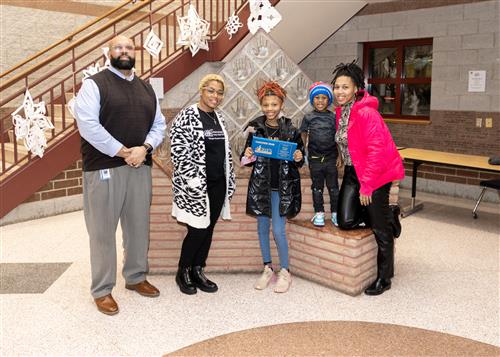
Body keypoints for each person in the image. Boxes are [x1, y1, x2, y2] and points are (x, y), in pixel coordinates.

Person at [75, 35, 166, 315]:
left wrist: (145, 148)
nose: (124, 51)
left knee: (139, 227)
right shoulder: (94, 84)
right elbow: (87, 125)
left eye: (129, 48)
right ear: (109, 52)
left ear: (135, 52)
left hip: (140, 167)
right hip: (104, 167)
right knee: (102, 231)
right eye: (118, 47)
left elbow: (159, 125)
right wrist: (123, 151)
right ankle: (102, 289)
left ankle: (136, 277)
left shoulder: (146, 88)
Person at [332, 61, 404, 296]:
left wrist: (368, 186)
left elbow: (376, 151)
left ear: (356, 89)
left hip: (376, 174)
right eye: (337, 87)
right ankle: (386, 213)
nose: (340, 92)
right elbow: (348, 140)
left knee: (380, 229)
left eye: (345, 87)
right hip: (354, 172)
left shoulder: (366, 113)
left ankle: (385, 277)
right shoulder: (341, 111)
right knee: (345, 221)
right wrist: (343, 156)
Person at [170, 74, 236, 295]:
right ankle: (183, 271)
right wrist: (192, 180)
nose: (215, 96)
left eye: (219, 92)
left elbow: (225, 153)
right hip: (195, 186)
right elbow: (178, 151)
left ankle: (198, 270)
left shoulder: (219, 118)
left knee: (208, 229)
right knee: (197, 230)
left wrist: (230, 179)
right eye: (211, 90)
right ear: (201, 90)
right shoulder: (188, 116)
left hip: (218, 184)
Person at [241, 81, 304, 293]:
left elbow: (299, 160)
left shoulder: (291, 130)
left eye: (274, 104)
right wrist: (248, 155)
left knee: (278, 230)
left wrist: (298, 156)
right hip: (261, 187)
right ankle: (267, 268)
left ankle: (285, 271)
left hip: (282, 189)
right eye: (266, 105)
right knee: (261, 229)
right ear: (261, 105)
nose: (270, 109)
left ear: (281, 104)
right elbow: (245, 159)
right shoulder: (255, 129)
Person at [299, 82, 339, 227]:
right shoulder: (308, 117)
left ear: (328, 100)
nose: (320, 101)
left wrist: (340, 156)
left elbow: (338, 137)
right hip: (315, 159)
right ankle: (319, 213)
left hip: (331, 159)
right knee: (317, 188)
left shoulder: (334, 117)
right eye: (317, 98)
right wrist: (303, 150)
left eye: (323, 98)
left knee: (334, 188)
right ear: (312, 100)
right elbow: (303, 133)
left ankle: (335, 213)